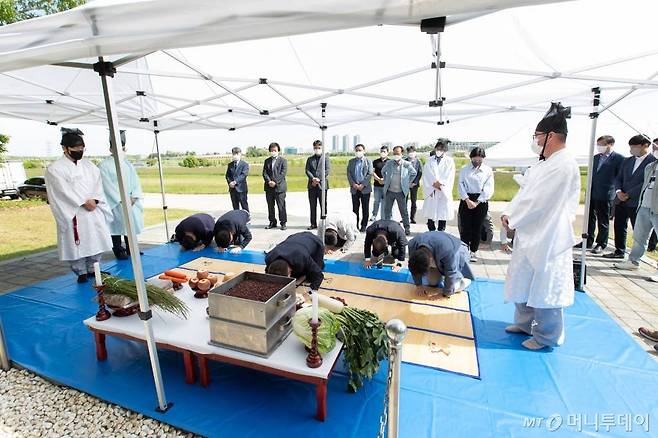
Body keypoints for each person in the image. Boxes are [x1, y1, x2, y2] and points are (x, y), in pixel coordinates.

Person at [501, 102, 580, 351]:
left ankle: (547, 336)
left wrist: (514, 219)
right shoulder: (545, 163)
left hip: (548, 235)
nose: (535, 141)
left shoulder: (564, 164)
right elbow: (525, 194)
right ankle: (524, 323)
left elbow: (539, 202)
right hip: (530, 232)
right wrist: (508, 213)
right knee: (523, 279)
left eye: (537, 136)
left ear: (551, 136)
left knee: (546, 285)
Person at [45, 128, 112, 283]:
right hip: (74, 211)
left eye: (81, 148)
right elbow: (61, 190)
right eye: (75, 148)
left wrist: (95, 200)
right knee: (77, 242)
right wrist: (82, 201)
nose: (79, 151)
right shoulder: (55, 168)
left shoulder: (89, 166)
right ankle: (80, 271)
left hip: (93, 210)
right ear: (65, 148)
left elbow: (98, 185)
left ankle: (93, 269)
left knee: (95, 239)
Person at [602, 135, 656, 259]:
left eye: (634, 146)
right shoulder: (627, 160)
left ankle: (635, 257)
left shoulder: (652, 161)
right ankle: (619, 251)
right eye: (630, 147)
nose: (632, 149)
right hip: (621, 199)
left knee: (638, 231)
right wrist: (619, 191)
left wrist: (629, 194)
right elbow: (619, 177)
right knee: (619, 226)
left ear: (645, 145)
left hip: (637, 201)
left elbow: (646, 182)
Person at [614, 137, 658, 277]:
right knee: (639, 237)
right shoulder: (651, 166)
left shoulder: (649, 161)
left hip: (656, 208)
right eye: (655, 147)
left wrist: (630, 194)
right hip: (644, 206)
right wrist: (620, 192)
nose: (655, 150)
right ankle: (633, 261)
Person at [98, 130, 144, 260]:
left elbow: (135, 181)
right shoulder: (104, 165)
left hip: (131, 201)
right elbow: (107, 186)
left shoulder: (127, 163)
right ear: (111, 149)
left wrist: (134, 196)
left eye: (122, 148)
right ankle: (118, 249)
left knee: (131, 225)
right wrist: (122, 199)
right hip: (117, 202)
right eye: (117, 148)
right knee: (117, 226)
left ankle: (132, 248)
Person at [579, 135, 624, 254]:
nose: (599, 147)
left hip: (606, 193)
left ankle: (601, 243)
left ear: (610, 144)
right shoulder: (595, 158)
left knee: (603, 220)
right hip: (592, 192)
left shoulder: (619, 159)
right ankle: (588, 240)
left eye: (602, 144)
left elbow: (619, 178)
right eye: (598, 144)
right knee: (589, 218)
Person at [407, 231, 474, 299]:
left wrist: (444, 294)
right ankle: (441, 274)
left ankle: (463, 282)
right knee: (433, 282)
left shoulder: (446, 250)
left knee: (453, 285)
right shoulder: (412, 245)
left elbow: (451, 272)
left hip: (457, 250)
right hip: (436, 250)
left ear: (430, 261)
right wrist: (419, 285)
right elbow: (414, 267)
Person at [458, 147, 494, 262]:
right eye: (475, 159)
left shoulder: (488, 170)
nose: (477, 161)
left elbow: (489, 188)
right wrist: (467, 200)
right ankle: (464, 250)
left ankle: (473, 251)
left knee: (477, 227)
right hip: (466, 199)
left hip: (481, 201)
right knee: (465, 226)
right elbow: (461, 185)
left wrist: (477, 202)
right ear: (471, 157)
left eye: (480, 159)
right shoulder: (464, 169)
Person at [382, 146, 417, 236]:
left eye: (398, 153)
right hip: (390, 191)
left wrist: (408, 182)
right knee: (387, 211)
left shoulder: (406, 164)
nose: (396, 155)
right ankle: (387, 228)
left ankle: (407, 228)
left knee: (403, 211)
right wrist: (386, 180)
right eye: (394, 153)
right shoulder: (389, 163)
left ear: (402, 154)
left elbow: (414, 173)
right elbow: (383, 171)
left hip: (401, 192)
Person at [422, 139, 455, 231]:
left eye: (441, 149)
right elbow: (426, 174)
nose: (439, 150)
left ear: (445, 150)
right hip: (431, 189)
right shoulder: (429, 160)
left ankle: (441, 230)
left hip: (443, 190)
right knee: (430, 211)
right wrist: (434, 183)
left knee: (442, 212)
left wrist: (441, 185)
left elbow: (449, 175)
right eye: (437, 148)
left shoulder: (449, 161)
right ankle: (431, 229)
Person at [347, 144, 373, 232]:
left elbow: (369, 174)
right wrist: (353, 184)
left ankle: (364, 225)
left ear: (364, 151)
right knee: (355, 208)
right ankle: (355, 225)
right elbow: (349, 174)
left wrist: (362, 185)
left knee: (365, 208)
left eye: (360, 150)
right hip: (354, 189)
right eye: (357, 150)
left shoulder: (368, 161)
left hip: (365, 189)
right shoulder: (351, 161)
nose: (358, 152)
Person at [305, 140, 330, 230]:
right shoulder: (310, 159)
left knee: (323, 206)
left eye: (319, 148)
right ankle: (313, 224)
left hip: (322, 185)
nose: (317, 149)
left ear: (322, 148)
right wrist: (313, 179)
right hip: (312, 185)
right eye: (315, 148)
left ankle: (323, 224)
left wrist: (318, 179)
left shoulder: (326, 158)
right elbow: (307, 170)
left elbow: (327, 170)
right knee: (312, 205)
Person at [263, 142, 288, 230]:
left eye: (275, 150)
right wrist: (269, 181)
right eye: (272, 150)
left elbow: (283, 173)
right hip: (269, 187)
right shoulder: (267, 161)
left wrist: (275, 182)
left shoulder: (283, 161)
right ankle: (272, 221)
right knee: (270, 206)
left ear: (278, 151)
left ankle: (283, 222)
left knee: (281, 206)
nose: (273, 151)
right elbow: (264, 173)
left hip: (279, 187)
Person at [226, 146, 250, 212]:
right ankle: (236, 220)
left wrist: (235, 182)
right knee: (235, 206)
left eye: (236, 154)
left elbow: (244, 175)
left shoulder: (244, 164)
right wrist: (230, 182)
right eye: (233, 154)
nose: (235, 155)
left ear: (240, 154)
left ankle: (247, 220)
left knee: (244, 205)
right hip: (232, 189)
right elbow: (227, 175)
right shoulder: (230, 165)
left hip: (241, 189)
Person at [405, 145, 423, 224]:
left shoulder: (418, 161)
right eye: (409, 152)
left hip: (414, 185)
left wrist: (414, 182)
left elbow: (420, 173)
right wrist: (407, 182)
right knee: (404, 201)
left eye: (412, 152)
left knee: (414, 201)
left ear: (415, 152)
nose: (411, 153)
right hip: (405, 184)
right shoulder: (404, 161)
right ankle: (404, 217)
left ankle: (412, 218)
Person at [371, 146, 389, 221]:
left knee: (384, 202)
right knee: (376, 201)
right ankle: (374, 215)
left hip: (386, 186)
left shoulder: (390, 162)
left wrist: (385, 180)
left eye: (384, 151)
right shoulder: (375, 162)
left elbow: (391, 173)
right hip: (377, 185)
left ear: (387, 152)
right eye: (381, 151)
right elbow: (372, 172)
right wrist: (378, 179)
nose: (382, 153)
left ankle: (383, 217)